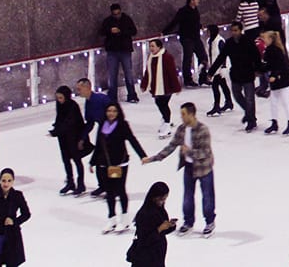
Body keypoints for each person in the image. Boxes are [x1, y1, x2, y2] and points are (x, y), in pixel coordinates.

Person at [141, 102, 215, 236]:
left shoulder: (203, 130)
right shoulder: (181, 129)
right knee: (187, 197)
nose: (181, 117)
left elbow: (205, 152)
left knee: (207, 197)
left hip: (204, 169)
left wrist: (189, 152)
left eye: (184, 114)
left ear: (191, 114)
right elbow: (171, 146)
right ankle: (188, 222)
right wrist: (153, 158)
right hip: (189, 167)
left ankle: (209, 222)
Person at [91, 101, 145, 232]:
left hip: (119, 163)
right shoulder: (102, 125)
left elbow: (132, 140)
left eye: (114, 111)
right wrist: (92, 161)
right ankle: (112, 219)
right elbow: (98, 144)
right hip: (105, 164)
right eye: (109, 111)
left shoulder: (122, 125)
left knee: (120, 189)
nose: (111, 114)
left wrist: (142, 155)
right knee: (109, 192)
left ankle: (125, 218)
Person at [208, 21, 262, 130]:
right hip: (236, 74)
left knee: (250, 99)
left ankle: (251, 120)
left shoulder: (248, 41)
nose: (234, 33)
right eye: (232, 30)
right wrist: (211, 72)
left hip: (248, 73)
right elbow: (221, 58)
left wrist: (258, 69)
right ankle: (249, 114)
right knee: (237, 96)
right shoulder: (229, 43)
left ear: (240, 30)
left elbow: (256, 56)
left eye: (236, 30)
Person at [48, 85, 88, 195]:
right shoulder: (59, 105)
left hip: (74, 137)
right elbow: (59, 118)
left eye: (61, 98)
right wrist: (55, 128)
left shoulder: (72, 106)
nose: (59, 100)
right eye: (58, 98)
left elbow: (70, 123)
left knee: (76, 160)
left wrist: (56, 132)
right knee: (66, 160)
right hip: (63, 138)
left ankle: (81, 184)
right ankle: (70, 182)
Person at [161, 0, 205, 90]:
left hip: (196, 37)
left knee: (203, 57)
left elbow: (195, 22)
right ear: (191, 0)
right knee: (188, 58)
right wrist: (164, 31)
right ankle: (188, 80)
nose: (198, 1)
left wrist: (199, 26)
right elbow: (175, 21)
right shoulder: (183, 11)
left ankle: (203, 77)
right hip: (187, 38)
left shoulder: (196, 11)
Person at [126, 182, 175, 267]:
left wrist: (170, 226)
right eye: (161, 199)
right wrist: (159, 229)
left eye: (164, 199)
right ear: (153, 196)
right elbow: (145, 240)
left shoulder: (160, 210)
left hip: (157, 255)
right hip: (146, 257)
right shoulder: (144, 214)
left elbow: (163, 231)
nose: (162, 202)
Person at [98, 4, 139, 104]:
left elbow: (133, 31)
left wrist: (121, 31)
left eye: (118, 13)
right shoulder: (108, 21)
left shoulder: (127, 19)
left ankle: (132, 95)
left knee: (128, 74)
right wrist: (110, 31)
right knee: (112, 75)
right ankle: (112, 97)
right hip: (112, 51)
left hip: (125, 50)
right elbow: (101, 32)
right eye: (114, 14)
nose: (116, 15)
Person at [139, 40, 181, 139]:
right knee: (160, 104)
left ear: (159, 47)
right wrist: (144, 84)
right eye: (150, 46)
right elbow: (147, 73)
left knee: (163, 105)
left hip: (167, 87)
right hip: (155, 87)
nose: (151, 48)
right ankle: (166, 120)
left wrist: (176, 87)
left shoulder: (167, 57)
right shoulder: (151, 58)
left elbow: (172, 73)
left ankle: (166, 125)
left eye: (153, 46)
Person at [260, 30, 289, 135]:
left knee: (285, 102)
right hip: (275, 82)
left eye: (265, 39)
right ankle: (274, 123)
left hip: (284, 80)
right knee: (273, 102)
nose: (263, 40)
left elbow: (280, 65)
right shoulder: (268, 50)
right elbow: (267, 65)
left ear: (271, 39)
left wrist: (274, 75)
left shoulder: (277, 50)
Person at [203, 25, 233, 116]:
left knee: (215, 86)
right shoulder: (209, 41)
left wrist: (223, 67)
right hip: (213, 67)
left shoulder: (220, 41)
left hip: (220, 68)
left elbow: (224, 55)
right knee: (223, 85)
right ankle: (229, 102)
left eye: (208, 31)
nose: (207, 33)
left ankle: (216, 106)